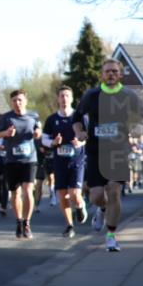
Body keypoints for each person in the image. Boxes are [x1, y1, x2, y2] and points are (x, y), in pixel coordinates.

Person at [72, 59, 143, 251]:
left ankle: (111, 236)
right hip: (95, 152)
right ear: (102, 74)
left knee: (114, 191)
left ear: (120, 75)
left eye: (114, 71)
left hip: (119, 151)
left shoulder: (128, 95)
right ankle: (101, 209)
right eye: (107, 71)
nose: (111, 74)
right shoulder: (91, 95)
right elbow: (76, 119)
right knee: (97, 196)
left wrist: (141, 125)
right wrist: (79, 132)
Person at [0, 90, 42, 239]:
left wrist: (37, 133)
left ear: (25, 101)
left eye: (20, 100)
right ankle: (18, 221)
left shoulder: (33, 116)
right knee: (15, 193)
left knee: (28, 190)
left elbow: (39, 130)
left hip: (29, 159)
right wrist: (6, 134)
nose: (17, 103)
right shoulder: (6, 118)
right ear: (11, 102)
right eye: (14, 100)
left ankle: (27, 223)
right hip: (12, 160)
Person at [42, 86, 87, 237]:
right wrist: (53, 142)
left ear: (71, 98)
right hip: (59, 162)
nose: (64, 98)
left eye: (67, 95)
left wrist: (80, 143)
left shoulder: (80, 117)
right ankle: (69, 225)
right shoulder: (52, 119)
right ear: (58, 98)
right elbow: (44, 139)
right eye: (61, 96)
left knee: (74, 194)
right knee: (62, 195)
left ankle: (80, 206)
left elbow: (89, 136)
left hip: (77, 161)